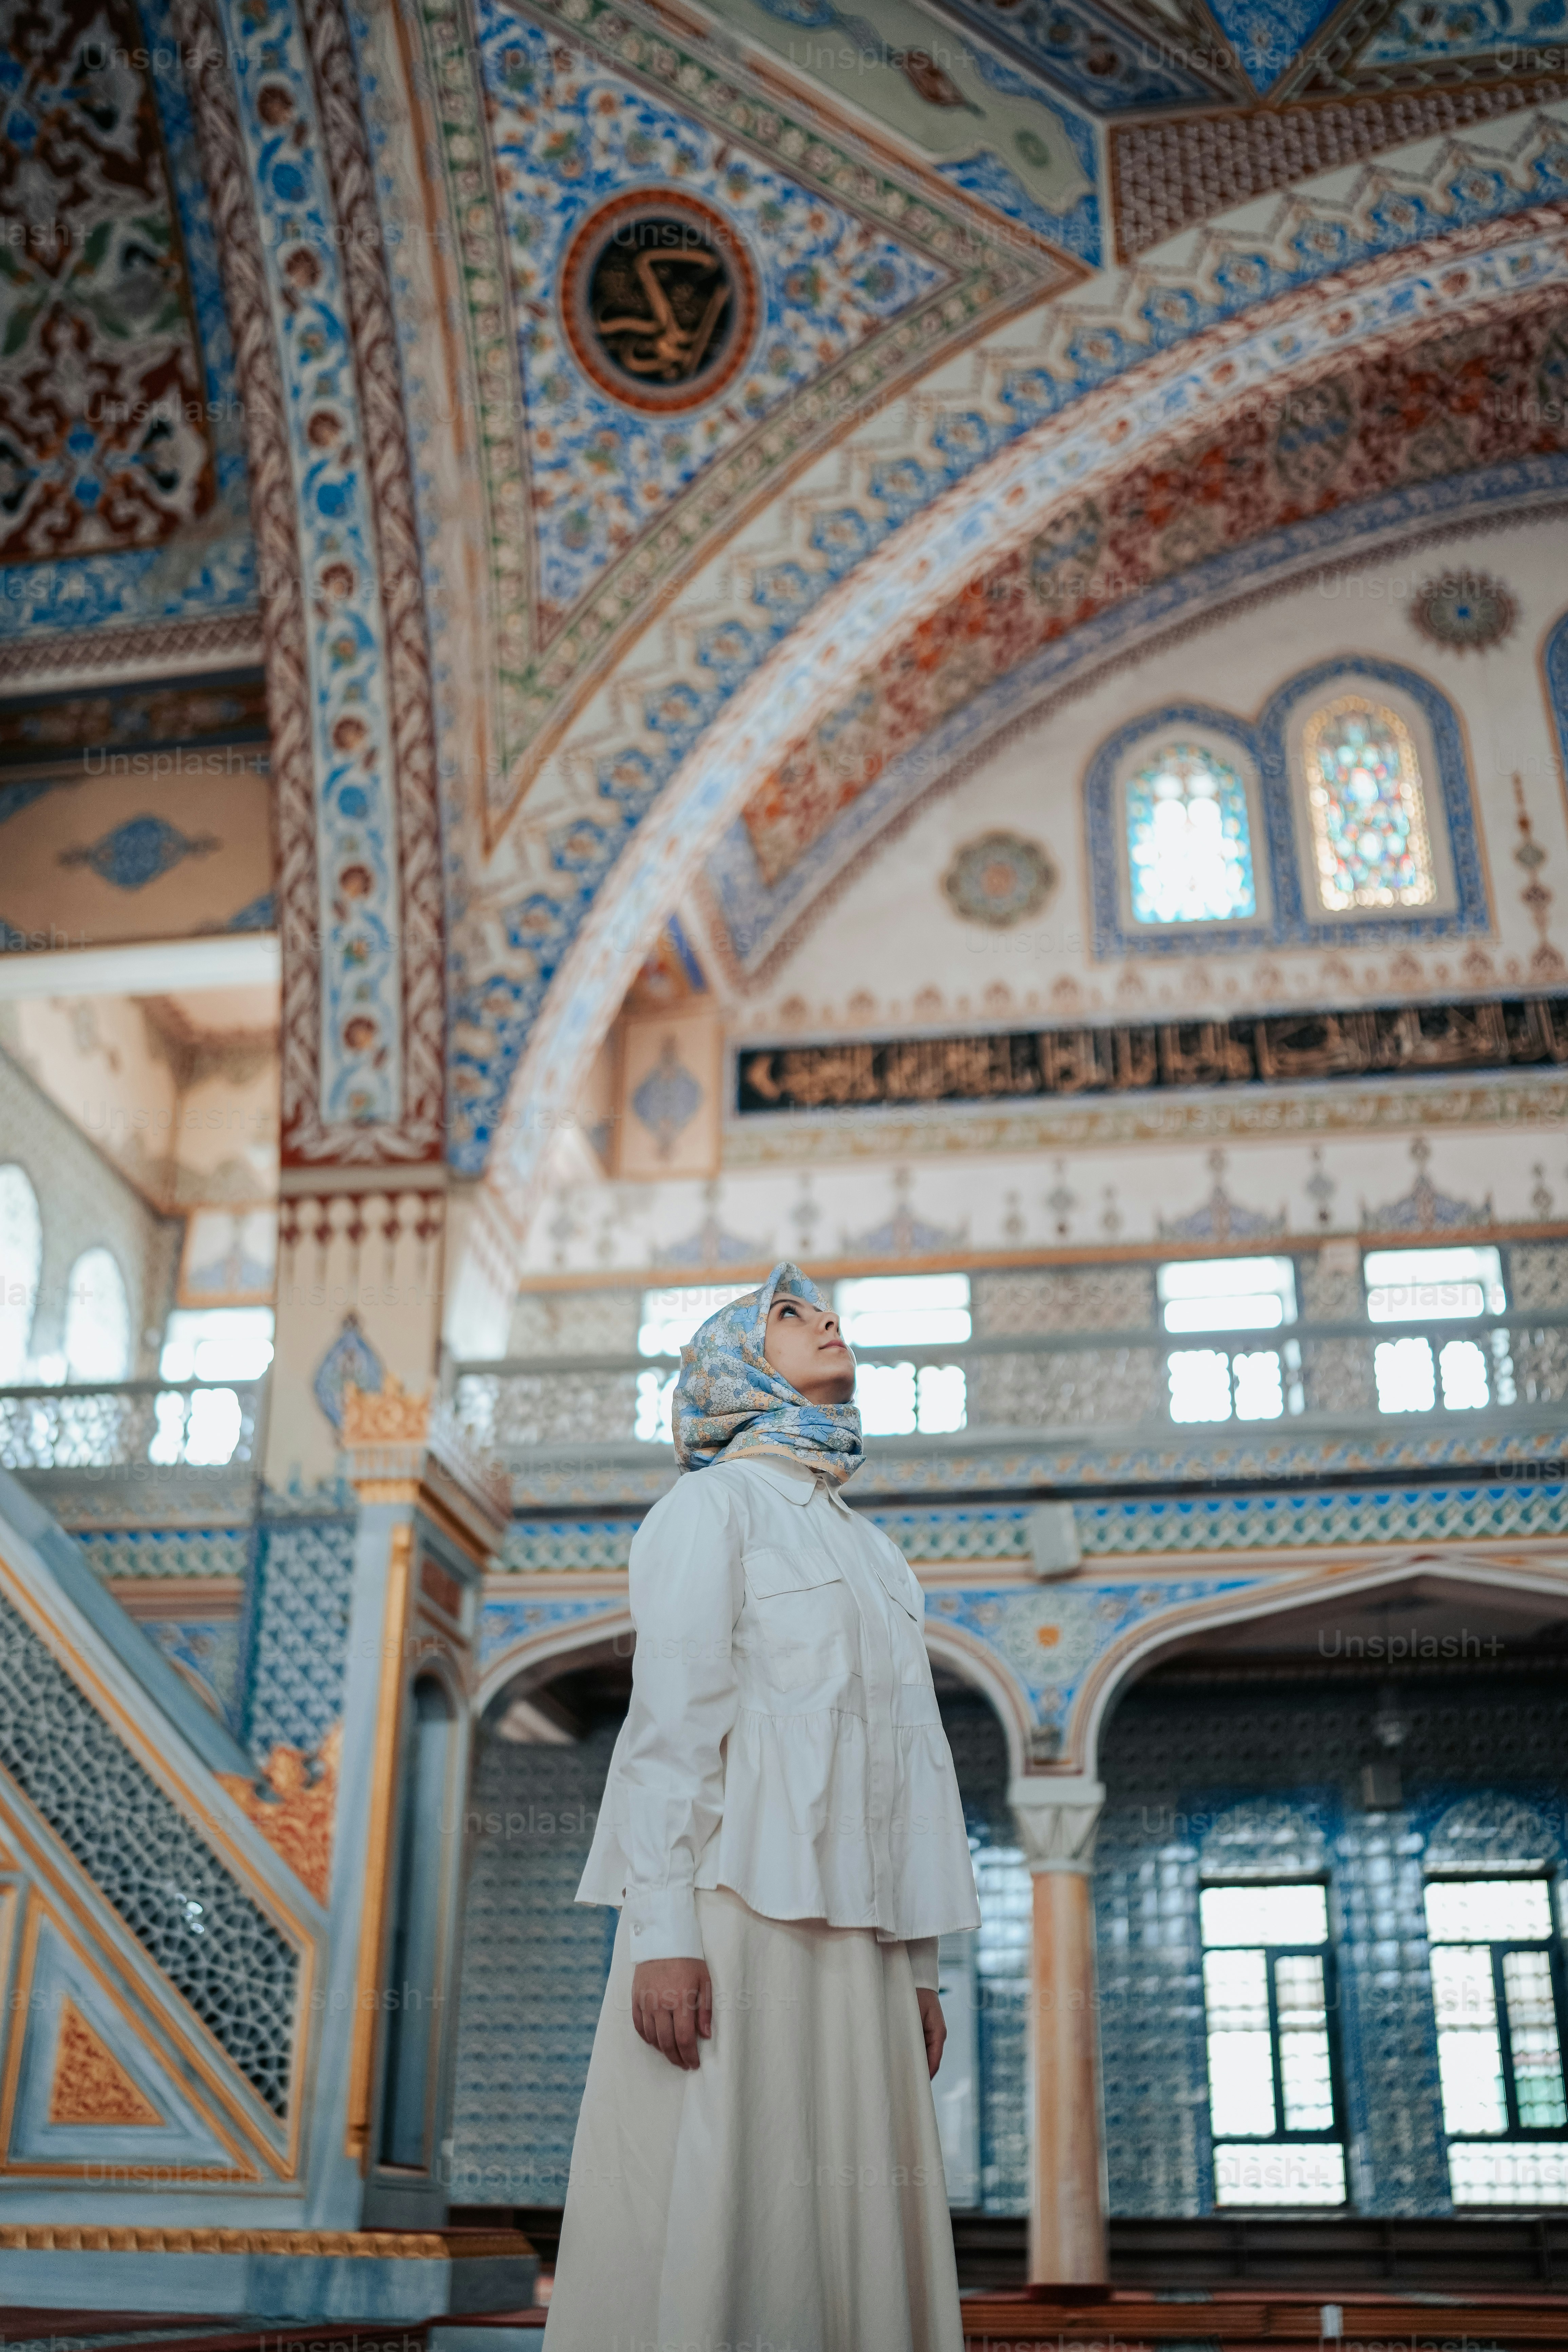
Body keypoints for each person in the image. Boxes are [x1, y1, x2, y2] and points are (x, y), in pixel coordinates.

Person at [543, 1262, 980, 2352]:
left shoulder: (875, 1552)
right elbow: (671, 1729)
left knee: (853, 2225)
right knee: (735, 2201)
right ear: (737, 1363)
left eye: (825, 1308)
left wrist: (919, 1967)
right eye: (791, 1312)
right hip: (736, 1925)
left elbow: (908, 1769)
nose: (828, 1319)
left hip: (864, 1947)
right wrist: (663, 1935)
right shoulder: (710, 1508)